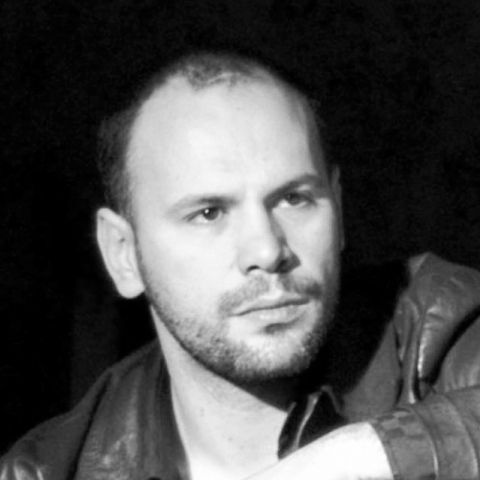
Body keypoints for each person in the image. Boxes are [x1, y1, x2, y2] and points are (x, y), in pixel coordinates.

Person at [2, 48, 480, 480]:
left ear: (337, 208)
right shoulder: (48, 471)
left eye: (294, 199)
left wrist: (359, 458)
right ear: (124, 254)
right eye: (209, 213)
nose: (267, 251)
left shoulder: (435, 328)